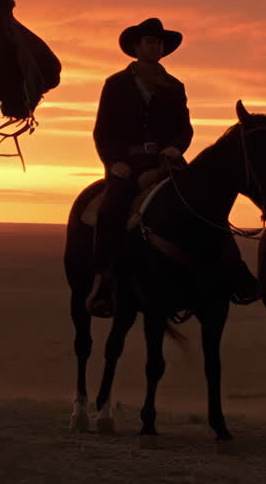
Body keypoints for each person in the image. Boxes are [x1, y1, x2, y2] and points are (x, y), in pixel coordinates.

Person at [86, 18, 193, 317]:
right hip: (127, 163)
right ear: (136, 47)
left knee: (198, 201)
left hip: (165, 160)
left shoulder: (175, 86)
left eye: (158, 43)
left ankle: (208, 276)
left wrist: (176, 147)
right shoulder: (116, 84)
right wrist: (113, 162)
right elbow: (102, 130)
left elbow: (184, 129)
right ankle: (105, 279)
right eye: (149, 41)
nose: (155, 47)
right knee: (111, 208)